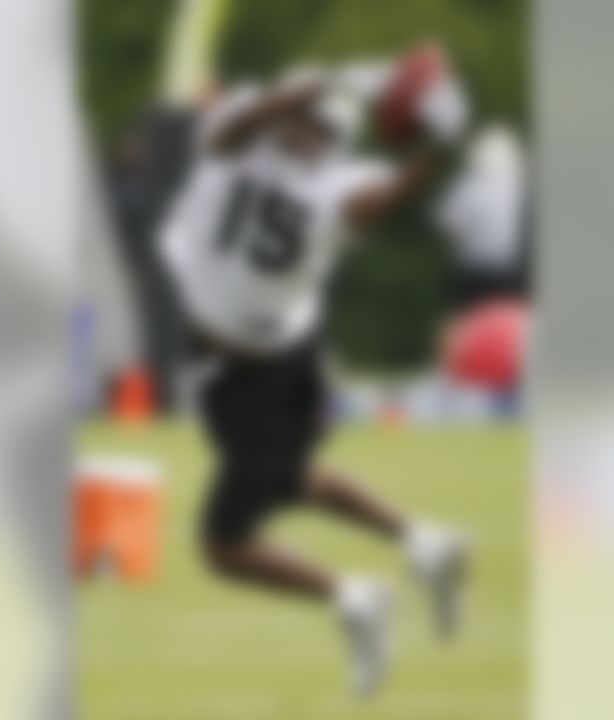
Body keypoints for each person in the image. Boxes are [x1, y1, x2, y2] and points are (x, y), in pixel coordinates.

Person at [159, 55, 471, 697]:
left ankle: (357, 597)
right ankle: (424, 542)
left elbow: (394, 195)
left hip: (267, 372)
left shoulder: (335, 188)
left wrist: (443, 145)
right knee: (291, 480)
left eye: (322, 128)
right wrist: (297, 95)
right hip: (244, 360)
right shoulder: (247, 131)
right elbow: (232, 129)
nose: (309, 134)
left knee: (222, 546)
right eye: (304, 120)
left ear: (336, 139)